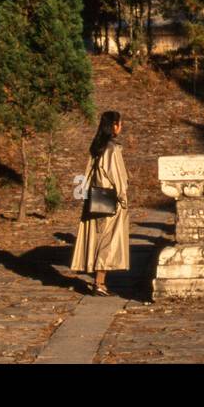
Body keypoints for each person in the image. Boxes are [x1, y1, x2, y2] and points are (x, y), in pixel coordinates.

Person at [71, 111, 129, 295]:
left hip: (94, 199)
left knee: (97, 240)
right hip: (110, 201)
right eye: (119, 123)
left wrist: (81, 195)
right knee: (108, 242)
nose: (121, 127)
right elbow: (118, 178)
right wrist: (124, 199)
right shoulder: (112, 149)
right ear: (114, 125)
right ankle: (99, 283)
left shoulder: (96, 147)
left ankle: (99, 282)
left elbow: (85, 173)